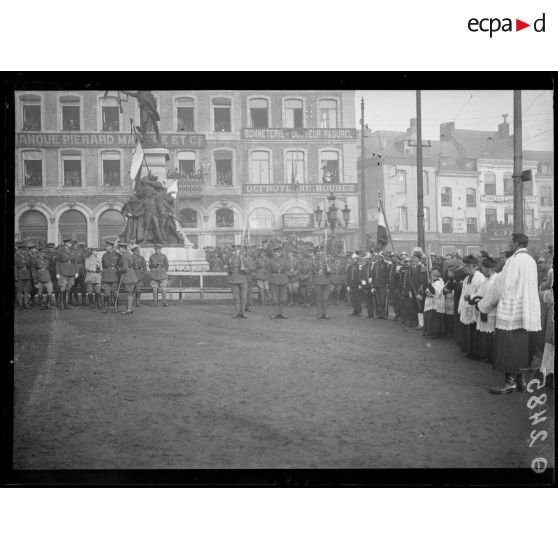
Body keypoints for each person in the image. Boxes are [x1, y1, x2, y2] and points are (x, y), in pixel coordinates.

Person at [477, 233, 542, 394]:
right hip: (526, 313)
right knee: (521, 348)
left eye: (510, 242)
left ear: (517, 243)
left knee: (508, 348)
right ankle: (521, 381)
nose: (508, 245)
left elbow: (501, 286)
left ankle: (510, 383)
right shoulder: (531, 261)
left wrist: (484, 305)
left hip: (512, 312)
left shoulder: (513, 261)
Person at [470, 256, 499, 362]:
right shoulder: (487, 279)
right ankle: (482, 354)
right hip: (482, 306)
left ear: (489, 269)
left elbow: (491, 297)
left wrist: (480, 303)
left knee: (489, 333)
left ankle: (489, 355)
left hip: (490, 309)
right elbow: (480, 292)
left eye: (483, 268)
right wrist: (474, 297)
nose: (481, 270)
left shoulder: (495, 279)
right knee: (483, 332)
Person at [458, 255, 485, 357]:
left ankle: (475, 352)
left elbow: (482, 293)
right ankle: (468, 350)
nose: (463, 268)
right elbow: (462, 293)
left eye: (465, 266)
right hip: (466, 307)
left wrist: (470, 297)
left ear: (471, 266)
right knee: (467, 329)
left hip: (475, 308)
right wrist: (461, 307)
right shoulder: (466, 278)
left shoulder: (480, 278)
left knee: (474, 330)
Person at [56, 237, 79, 310]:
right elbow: (57, 262)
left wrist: (76, 272)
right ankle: (62, 304)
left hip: (71, 271)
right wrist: (57, 273)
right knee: (62, 288)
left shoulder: (73, 251)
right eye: (69, 243)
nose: (70, 244)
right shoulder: (60, 251)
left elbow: (75, 262)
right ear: (65, 243)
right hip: (63, 271)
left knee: (68, 288)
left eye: (71, 243)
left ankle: (66, 304)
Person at [423, 268, 446, 337]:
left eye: (433, 274)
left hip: (436, 303)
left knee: (434, 318)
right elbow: (428, 290)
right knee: (428, 316)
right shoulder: (433, 282)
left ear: (437, 275)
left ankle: (434, 333)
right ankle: (428, 331)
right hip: (430, 301)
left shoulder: (439, 282)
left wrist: (429, 284)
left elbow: (435, 292)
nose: (431, 275)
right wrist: (427, 292)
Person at [118, 242, 138, 315]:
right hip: (132, 274)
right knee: (130, 293)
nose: (119, 249)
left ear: (124, 248)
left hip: (128, 276)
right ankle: (130, 308)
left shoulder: (124, 256)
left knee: (129, 293)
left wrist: (119, 269)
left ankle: (129, 309)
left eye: (119, 248)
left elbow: (125, 268)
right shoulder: (130, 254)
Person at [228, 245, 248, 319]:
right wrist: (229, 280)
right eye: (235, 250)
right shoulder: (230, 260)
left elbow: (250, 268)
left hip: (243, 280)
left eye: (238, 250)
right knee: (236, 297)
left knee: (243, 297)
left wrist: (245, 269)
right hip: (234, 280)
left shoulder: (244, 259)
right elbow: (228, 271)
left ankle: (243, 312)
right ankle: (237, 312)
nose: (237, 252)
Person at [101, 240, 121, 313]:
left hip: (114, 275)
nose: (106, 247)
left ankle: (116, 307)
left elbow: (120, 265)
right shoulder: (104, 255)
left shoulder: (118, 255)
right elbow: (103, 265)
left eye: (107, 246)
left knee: (115, 292)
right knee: (106, 292)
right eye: (105, 246)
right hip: (106, 276)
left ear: (112, 247)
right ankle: (106, 308)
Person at [268, 246, 288, 319]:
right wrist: (269, 282)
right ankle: (276, 313)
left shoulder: (284, 260)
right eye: (276, 253)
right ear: (274, 253)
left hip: (283, 280)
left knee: (283, 298)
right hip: (274, 279)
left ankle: (282, 313)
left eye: (279, 252)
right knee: (275, 298)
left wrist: (286, 280)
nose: (277, 254)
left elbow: (286, 271)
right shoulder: (270, 261)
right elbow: (268, 272)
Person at [312, 246, 332, 319]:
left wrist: (327, 264)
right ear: (316, 253)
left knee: (325, 298)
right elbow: (311, 273)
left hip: (326, 282)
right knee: (319, 298)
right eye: (318, 251)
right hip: (317, 282)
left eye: (321, 251)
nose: (320, 253)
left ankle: (325, 314)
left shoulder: (326, 260)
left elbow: (330, 272)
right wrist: (312, 283)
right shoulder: (313, 261)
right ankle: (320, 313)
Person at [14, 243, 33, 310]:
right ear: (19, 250)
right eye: (22, 250)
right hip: (19, 275)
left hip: (27, 275)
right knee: (19, 291)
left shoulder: (28, 256)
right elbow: (15, 267)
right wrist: (15, 276)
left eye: (25, 250)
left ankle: (26, 304)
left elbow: (30, 265)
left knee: (26, 291)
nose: (24, 251)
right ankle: (20, 304)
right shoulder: (16, 256)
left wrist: (30, 257)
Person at [372, 251, 390, 319]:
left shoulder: (386, 264)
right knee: (378, 300)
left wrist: (387, 285)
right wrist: (373, 285)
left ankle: (384, 314)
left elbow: (387, 275)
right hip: (376, 285)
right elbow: (373, 275)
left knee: (383, 300)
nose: (379, 258)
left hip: (383, 285)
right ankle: (380, 314)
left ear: (383, 257)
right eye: (378, 257)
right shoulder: (375, 264)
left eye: (381, 257)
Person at [346, 252, 363, 316]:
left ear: (357, 259)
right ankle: (355, 310)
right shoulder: (350, 266)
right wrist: (348, 285)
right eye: (352, 259)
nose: (353, 260)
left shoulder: (359, 266)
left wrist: (360, 284)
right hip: (351, 285)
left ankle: (359, 311)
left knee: (358, 299)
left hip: (357, 285)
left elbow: (360, 276)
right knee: (352, 299)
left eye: (355, 259)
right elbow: (348, 276)